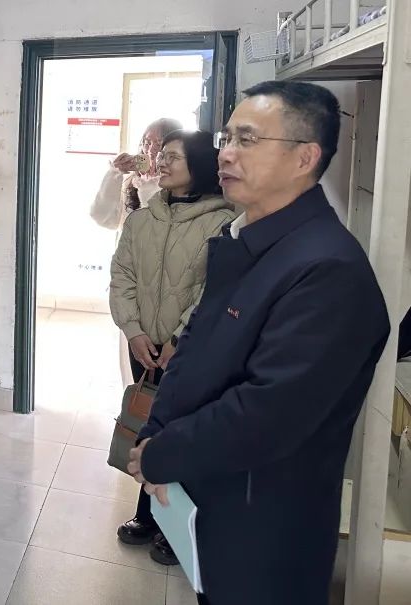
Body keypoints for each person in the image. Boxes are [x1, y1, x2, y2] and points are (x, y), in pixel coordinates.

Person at [127, 81, 389, 604]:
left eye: (247, 139)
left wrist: (162, 453)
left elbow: (267, 414)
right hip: (215, 500)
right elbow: (197, 352)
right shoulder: (246, 241)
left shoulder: (327, 270)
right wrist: (153, 435)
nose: (226, 153)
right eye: (226, 138)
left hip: (265, 527)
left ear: (304, 158)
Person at [109, 129, 237, 567]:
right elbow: (122, 276)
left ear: (198, 165)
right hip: (144, 347)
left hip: (191, 350)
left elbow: (214, 289)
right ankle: (146, 514)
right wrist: (133, 332)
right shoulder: (141, 220)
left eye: (173, 157)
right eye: (161, 155)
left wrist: (180, 338)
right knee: (149, 426)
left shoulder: (223, 222)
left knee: (183, 433)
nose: (161, 163)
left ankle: (177, 524)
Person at [90, 118, 183, 389]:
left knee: (160, 367)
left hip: (166, 286)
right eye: (146, 141)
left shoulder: (176, 186)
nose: (149, 150)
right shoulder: (133, 182)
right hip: (131, 282)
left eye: (158, 143)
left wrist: (151, 185)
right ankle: (135, 407)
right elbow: (104, 217)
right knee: (134, 362)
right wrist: (114, 174)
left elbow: (160, 228)